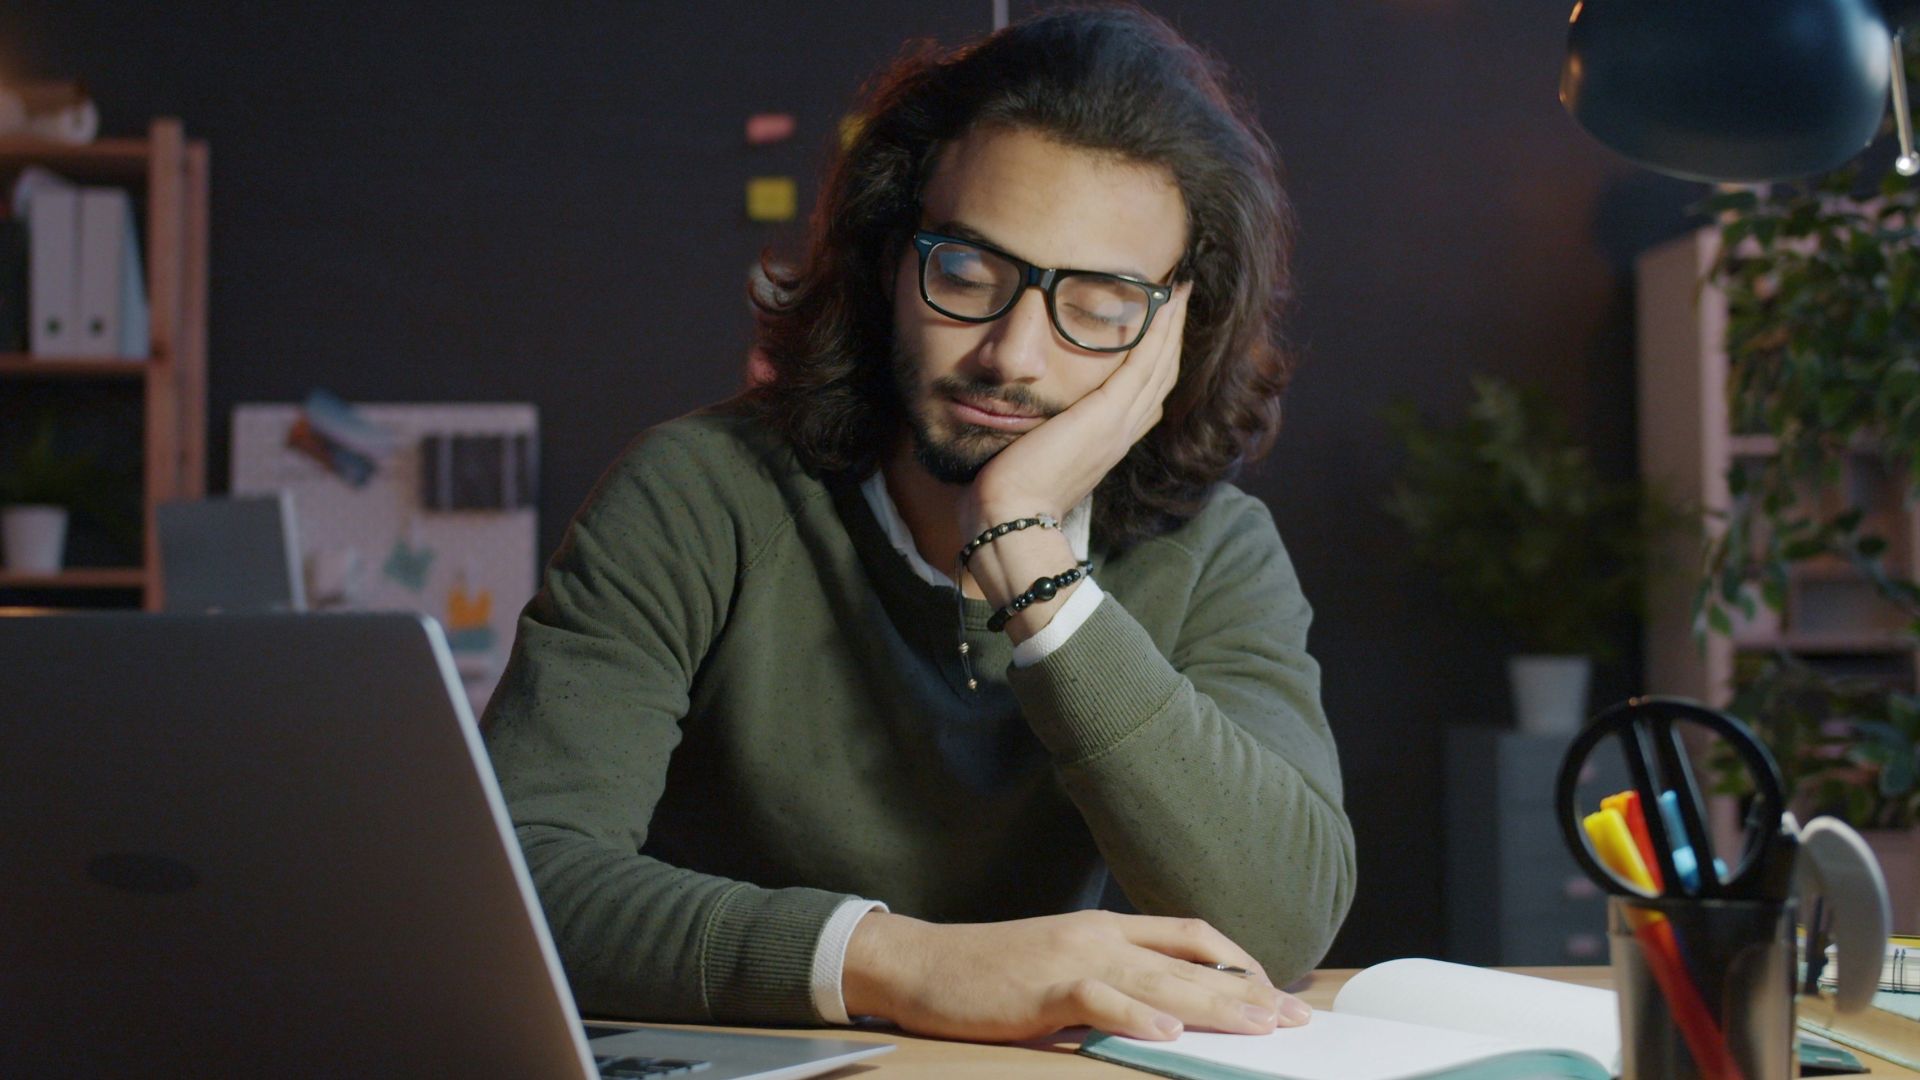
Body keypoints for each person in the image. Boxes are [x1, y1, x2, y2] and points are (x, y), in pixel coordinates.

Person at [483, 3, 1355, 1046]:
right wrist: (905, 964)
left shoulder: (1213, 551)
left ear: (1175, 330)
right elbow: (518, 883)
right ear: (890, 258)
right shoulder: (699, 494)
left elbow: (1279, 926)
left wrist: (1024, 545)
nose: (1013, 355)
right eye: (967, 274)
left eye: (1098, 306)